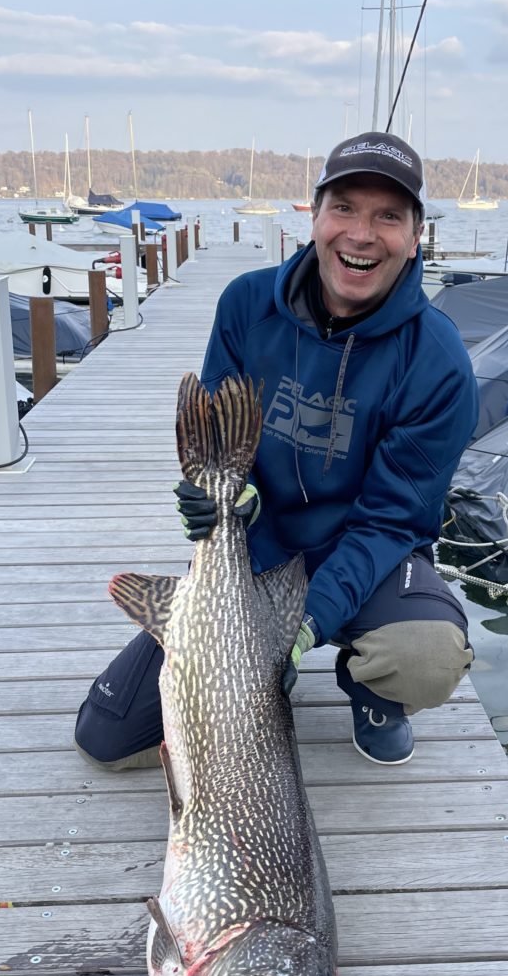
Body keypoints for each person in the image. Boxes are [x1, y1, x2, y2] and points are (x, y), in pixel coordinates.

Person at [75, 131, 479, 768]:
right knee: (105, 736)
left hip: (363, 559)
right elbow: (215, 447)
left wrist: (301, 629)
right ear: (315, 216)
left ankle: (372, 693)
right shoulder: (246, 305)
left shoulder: (439, 363)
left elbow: (390, 521)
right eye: (344, 207)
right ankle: (240, 671)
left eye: (388, 216)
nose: (362, 234)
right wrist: (228, 500)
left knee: (424, 657)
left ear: (416, 235)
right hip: (255, 553)